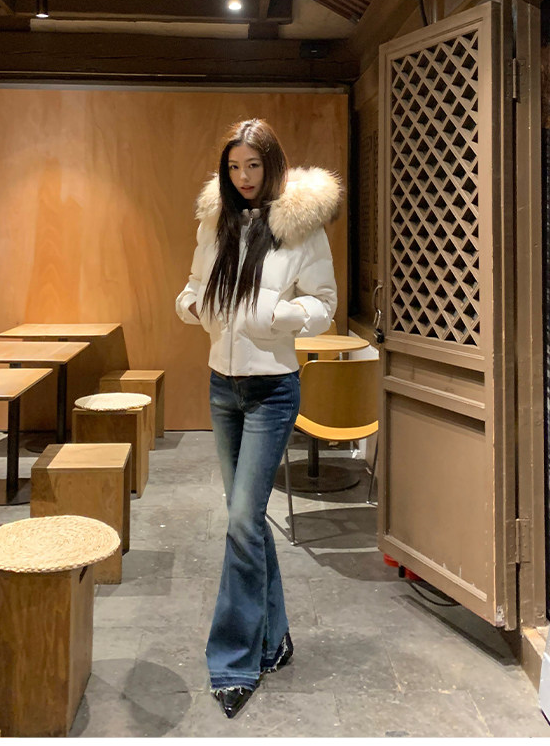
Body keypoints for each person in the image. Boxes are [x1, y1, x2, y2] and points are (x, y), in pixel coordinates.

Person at [175, 118, 340, 719]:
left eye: (253, 165)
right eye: (235, 166)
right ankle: (275, 638)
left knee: (242, 520)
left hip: (272, 391)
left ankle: (234, 659)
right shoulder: (214, 221)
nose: (244, 177)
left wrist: (276, 316)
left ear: (272, 165)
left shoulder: (300, 227)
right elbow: (192, 286)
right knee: (247, 522)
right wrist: (193, 305)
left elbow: (324, 304)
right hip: (222, 387)